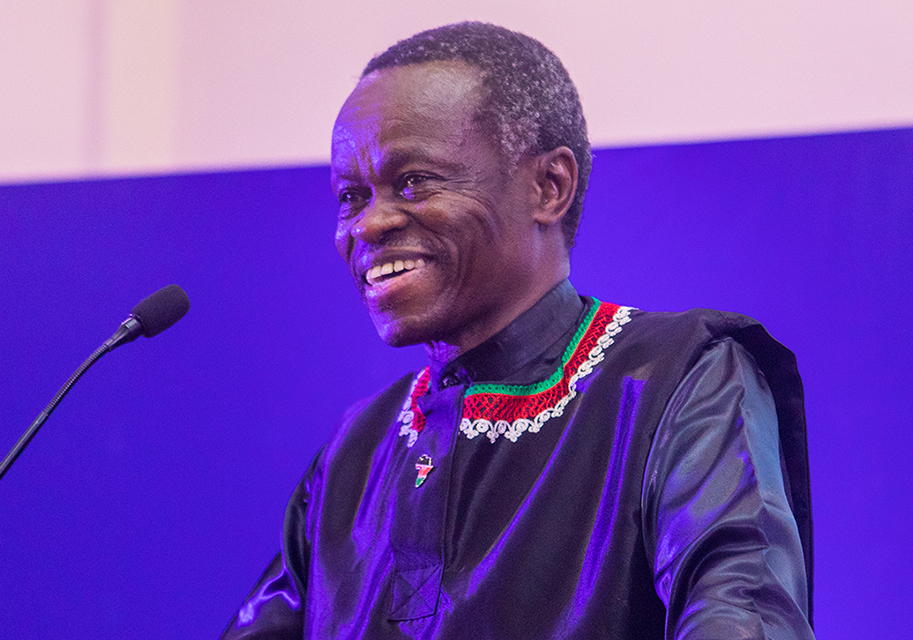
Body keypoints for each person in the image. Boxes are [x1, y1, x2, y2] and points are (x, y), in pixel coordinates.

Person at [222, 22, 814, 640]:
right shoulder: (358, 446)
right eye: (351, 196)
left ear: (549, 187)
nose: (367, 225)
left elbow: (741, 614)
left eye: (413, 182)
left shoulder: (676, 380)